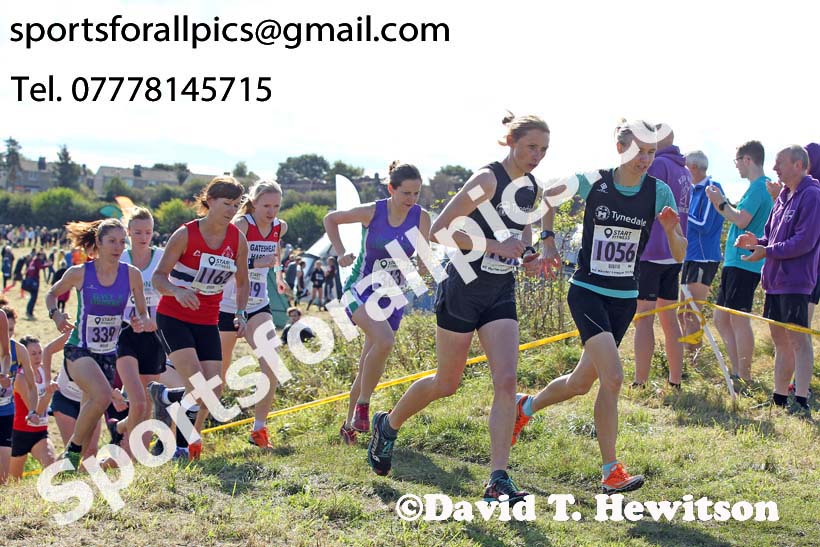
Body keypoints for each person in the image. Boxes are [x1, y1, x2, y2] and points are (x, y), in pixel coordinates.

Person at [367, 114, 550, 503]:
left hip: (500, 289)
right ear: (511, 141)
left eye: (544, 150)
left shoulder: (530, 186)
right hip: (462, 287)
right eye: (532, 147)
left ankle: (498, 478)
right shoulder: (487, 179)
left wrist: (529, 254)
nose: (537, 156)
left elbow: (522, 227)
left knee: (506, 381)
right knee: (447, 383)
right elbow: (441, 230)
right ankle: (388, 424)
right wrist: (494, 246)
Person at [513, 120, 687, 494]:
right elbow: (548, 196)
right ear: (620, 146)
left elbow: (679, 253)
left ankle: (523, 409)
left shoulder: (659, 192)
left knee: (580, 383)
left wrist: (672, 231)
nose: (645, 159)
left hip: (624, 299)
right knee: (614, 378)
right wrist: (547, 240)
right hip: (588, 291)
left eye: (651, 152)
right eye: (639, 150)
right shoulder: (595, 180)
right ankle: (611, 471)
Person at [325, 161, 429, 445]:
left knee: (368, 360)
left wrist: (418, 268)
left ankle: (349, 425)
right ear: (391, 189)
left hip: (392, 297)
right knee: (384, 342)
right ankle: (364, 406)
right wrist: (340, 252)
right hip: (359, 291)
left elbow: (422, 259)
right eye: (406, 193)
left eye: (416, 193)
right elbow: (331, 219)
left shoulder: (421, 217)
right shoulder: (373, 211)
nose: (411, 200)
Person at [150, 176, 249, 461]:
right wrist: (177, 291)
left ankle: (167, 397)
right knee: (197, 383)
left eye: (236, 205)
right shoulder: (186, 234)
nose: (231, 210)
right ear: (209, 201)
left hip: (208, 320)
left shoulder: (236, 239)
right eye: (226, 204)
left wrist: (241, 313)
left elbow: (243, 282)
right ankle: (179, 448)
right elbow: (158, 278)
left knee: (212, 392)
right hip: (174, 316)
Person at [44, 218, 154, 472]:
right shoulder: (81, 272)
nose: (118, 247)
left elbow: (142, 311)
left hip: (107, 354)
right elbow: (51, 294)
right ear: (99, 244)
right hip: (79, 350)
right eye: (111, 241)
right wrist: (56, 315)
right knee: (103, 396)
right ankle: (71, 453)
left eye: (121, 242)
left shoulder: (131, 274)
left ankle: (77, 463)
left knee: (90, 410)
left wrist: (141, 320)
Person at [736, 145, 820, 419]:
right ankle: (779, 397)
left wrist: (767, 250)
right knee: (779, 339)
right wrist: (755, 243)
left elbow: (804, 241)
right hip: (774, 281)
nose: (774, 169)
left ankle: (802, 399)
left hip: (796, 282)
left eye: (779, 163)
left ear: (799, 165)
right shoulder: (783, 196)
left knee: (798, 339)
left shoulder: (812, 196)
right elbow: (770, 237)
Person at [218, 180, 288, 449]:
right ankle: (191, 435)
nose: (271, 212)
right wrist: (254, 263)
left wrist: (279, 276)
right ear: (254, 203)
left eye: (277, 206)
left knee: (271, 361)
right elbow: (225, 260)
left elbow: (275, 249)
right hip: (228, 304)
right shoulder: (242, 225)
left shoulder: (280, 226)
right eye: (266, 205)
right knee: (218, 378)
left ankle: (259, 429)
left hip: (259, 303)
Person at [706, 141, 773, 383]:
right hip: (737, 262)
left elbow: (741, 220)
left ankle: (743, 374)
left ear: (747, 159)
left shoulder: (759, 188)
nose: (736, 167)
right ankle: (736, 371)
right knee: (721, 318)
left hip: (745, 262)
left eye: (737, 161)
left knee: (737, 317)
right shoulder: (756, 188)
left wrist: (719, 201)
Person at [632, 125, 691, 388]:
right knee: (669, 319)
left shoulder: (658, 165)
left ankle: (640, 381)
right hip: (674, 251)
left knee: (643, 316)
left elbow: (642, 199)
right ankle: (675, 380)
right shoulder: (685, 171)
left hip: (651, 251)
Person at [108, 208, 168, 457]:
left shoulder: (162, 258)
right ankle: (128, 454)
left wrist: (154, 320)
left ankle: (124, 432)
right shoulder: (120, 258)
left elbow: (170, 292)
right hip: (124, 331)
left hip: (154, 332)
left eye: (148, 232)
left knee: (147, 399)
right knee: (138, 398)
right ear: (128, 233)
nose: (144, 237)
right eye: (137, 232)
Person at [679, 151, 725, 352]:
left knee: (692, 312)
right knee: (681, 312)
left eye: (685, 167)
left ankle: (695, 358)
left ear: (694, 168)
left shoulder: (710, 188)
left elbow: (704, 224)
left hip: (704, 258)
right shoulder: (691, 190)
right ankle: (688, 356)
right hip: (689, 256)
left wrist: (680, 214)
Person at [8, 335, 57, 480]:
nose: (38, 357)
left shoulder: (43, 371)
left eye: (40, 352)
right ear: (24, 356)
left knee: (51, 464)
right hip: (18, 434)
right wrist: (49, 393)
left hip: (40, 432)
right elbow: (35, 409)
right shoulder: (20, 378)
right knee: (12, 483)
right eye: (33, 354)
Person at [0, 304, 37, 484]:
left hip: (6, 413)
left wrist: (33, 410)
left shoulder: (19, 350)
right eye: (4, 329)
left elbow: (32, 385)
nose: (7, 334)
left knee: (2, 477)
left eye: (11, 330)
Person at [23, 251, 52, 320]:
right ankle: (29, 311)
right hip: (34, 282)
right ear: (40, 256)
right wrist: (49, 264)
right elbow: (41, 267)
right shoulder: (37, 261)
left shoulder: (32, 261)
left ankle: (29, 311)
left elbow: (27, 272)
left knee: (32, 297)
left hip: (30, 281)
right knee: (33, 298)